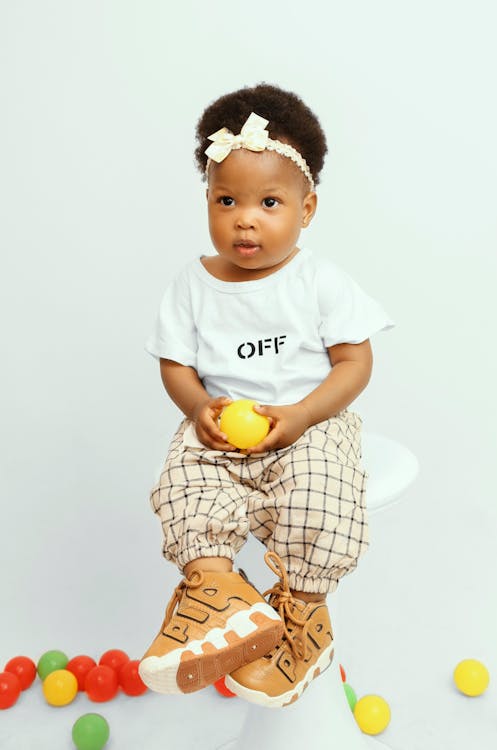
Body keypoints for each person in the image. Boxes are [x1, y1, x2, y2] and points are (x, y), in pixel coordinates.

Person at [138, 83, 394, 708]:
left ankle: (302, 618)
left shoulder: (320, 281)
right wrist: (198, 410)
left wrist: (305, 412)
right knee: (181, 485)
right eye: (226, 200)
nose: (244, 217)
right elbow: (176, 365)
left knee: (319, 497)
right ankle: (221, 596)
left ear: (306, 209)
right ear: (206, 200)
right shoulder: (192, 285)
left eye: (269, 202)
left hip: (309, 421)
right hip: (222, 427)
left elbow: (355, 362)